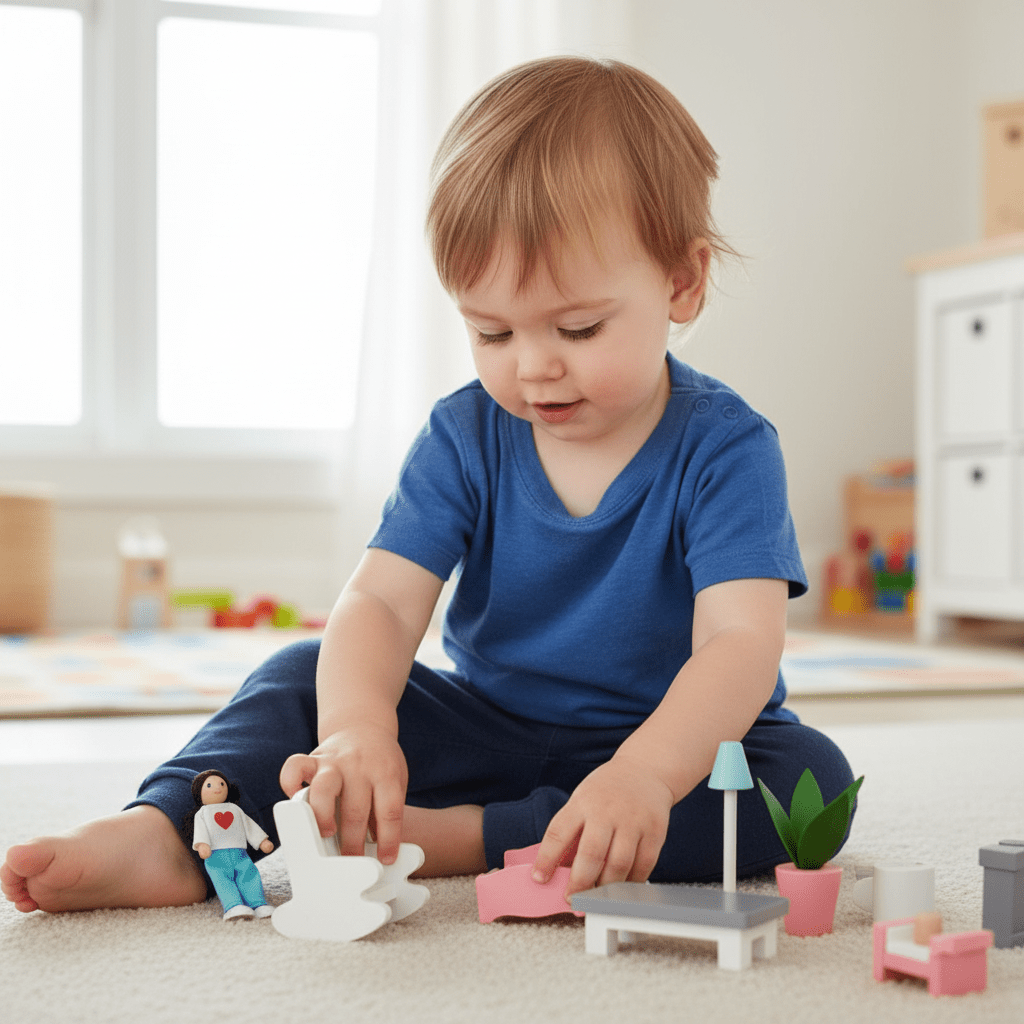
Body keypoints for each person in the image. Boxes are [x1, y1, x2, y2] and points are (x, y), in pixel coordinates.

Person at [1, 55, 854, 915]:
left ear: (682, 282)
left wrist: (642, 774)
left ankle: (458, 839)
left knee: (803, 778)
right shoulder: (465, 433)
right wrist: (359, 732)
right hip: (485, 727)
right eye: (490, 332)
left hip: (664, 748)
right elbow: (382, 602)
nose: (533, 368)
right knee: (304, 671)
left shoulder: (726, 448)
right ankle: (169, 834)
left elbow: (739, 647)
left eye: (578, 327)